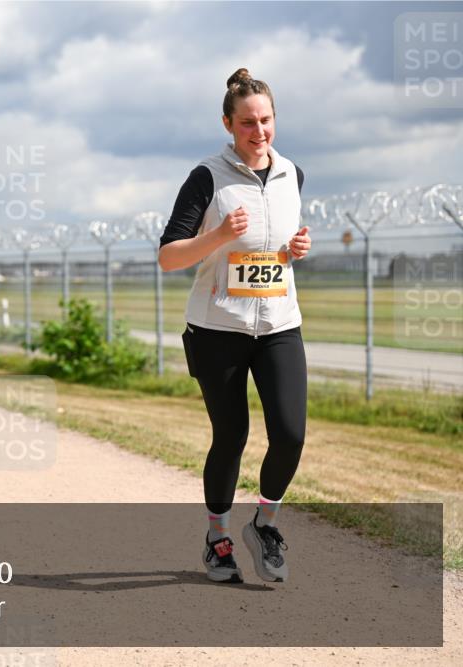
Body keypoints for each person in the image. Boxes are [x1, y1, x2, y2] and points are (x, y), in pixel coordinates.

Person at [158, 68, 312, 584]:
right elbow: (169, 257)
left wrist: (293, 253)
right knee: (232, 435)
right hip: (217, 328)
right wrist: (219, 233)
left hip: (278, 323)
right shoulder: (208, 176)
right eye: (247, 122)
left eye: (266, 120)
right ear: (228, 123)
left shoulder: (293, 173)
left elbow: (272, 253)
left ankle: (264, 525)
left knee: (290, 434)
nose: (259, 131)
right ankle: (217, 538)